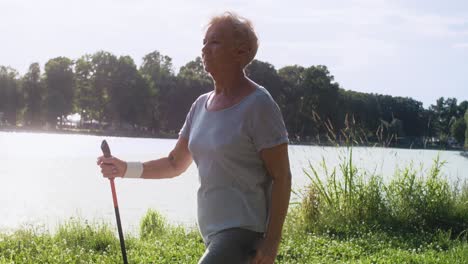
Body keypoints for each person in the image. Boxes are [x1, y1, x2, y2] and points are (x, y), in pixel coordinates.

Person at [98, 11, 291, 264]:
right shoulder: (201, 106)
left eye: (214, 42)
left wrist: (271, 242)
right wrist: (125, 169)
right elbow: (175, 163)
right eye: (204, 42)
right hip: (213, 233)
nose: (204, 49)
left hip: (245, 232)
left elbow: (282, 176)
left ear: (240, 52)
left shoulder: (259, 105)